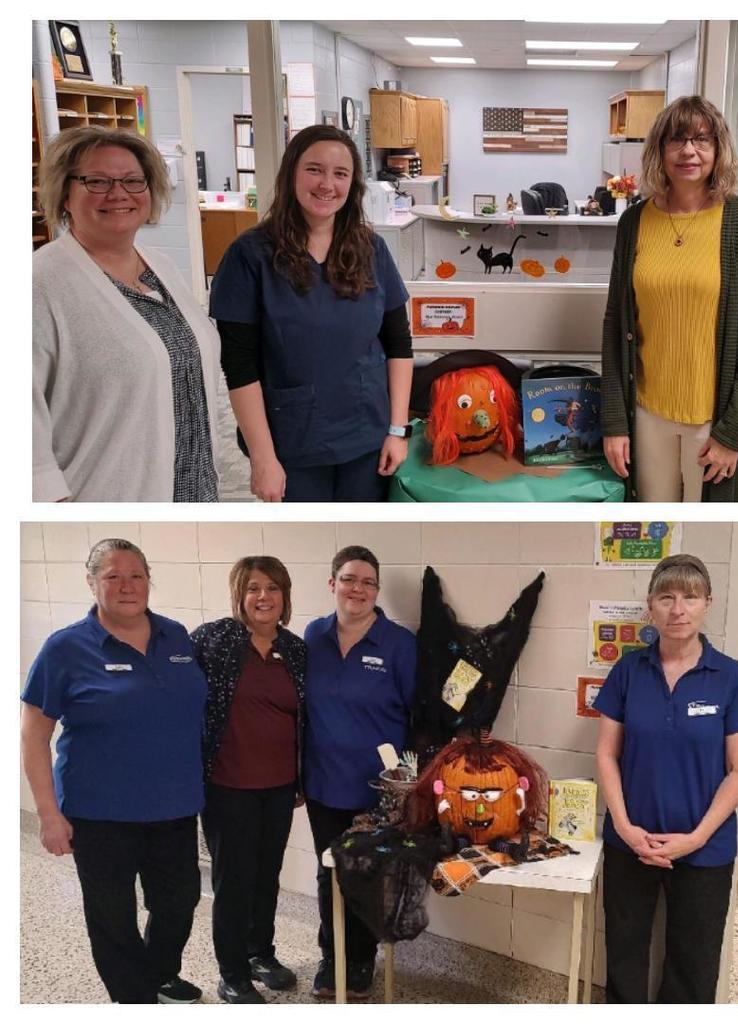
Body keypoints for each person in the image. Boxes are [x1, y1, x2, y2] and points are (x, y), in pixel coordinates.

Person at [20, 539, 207, 1004]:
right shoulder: (65, 648)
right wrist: (48, 815)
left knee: (179, 902)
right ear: (91, 583)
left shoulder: (176, 636)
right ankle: (133, 1000)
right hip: (100, 815)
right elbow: (33, 735)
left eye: (137, 575)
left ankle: (158, 972)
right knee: (112, 916)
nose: (127, 586)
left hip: (175, 808)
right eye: (113, 576)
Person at [209, 125, 414, 502]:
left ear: (353, 185)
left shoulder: (372, 250)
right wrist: (262, 457)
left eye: (340, 174)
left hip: (366, 435)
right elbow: (239, 365)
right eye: (314, 169)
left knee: (363, 540)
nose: (326, 184)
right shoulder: (250, 255)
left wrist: (397, 430)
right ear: (291, 173)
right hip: (291, 442)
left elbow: (398, 344)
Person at [594, 555, 738, 1002]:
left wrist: (696, 837)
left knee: (695, 960)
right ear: (650, 606)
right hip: (630, 842)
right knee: (624, 952)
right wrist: (627, 829)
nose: (678, 609)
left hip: (704, 848)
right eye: (666, 596)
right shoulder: (629, 672)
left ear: (707, 603)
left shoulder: (732, 679)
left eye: (690, 596)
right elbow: (607, 753)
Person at [601, 96, 738, 502]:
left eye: (702, 139)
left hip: (714, 423)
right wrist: (614, 422)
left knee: (708, 527)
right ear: (659, 151)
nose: (688, 151)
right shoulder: (634, 222)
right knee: (651, 524)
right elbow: (616, 324)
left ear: (718, 150)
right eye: (676, 140)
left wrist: (733, 431)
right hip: (646, 417)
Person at [33, 126, 220, 502]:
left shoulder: (161, 267)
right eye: (97, 181)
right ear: (65, 194)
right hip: (102, 494)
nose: (118, 193)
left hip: (193, 489)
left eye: (134, 181)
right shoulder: (39, 283)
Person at [191, 557, 307, 1004]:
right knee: (233, 880)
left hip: (279, 787)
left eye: (273, 588)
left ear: (285, 597)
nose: (264, 597)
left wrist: (301, 780)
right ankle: (232, 972)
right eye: (254, 588)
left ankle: (261, 953)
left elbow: (306, 719)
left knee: (266, 875)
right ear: (239, 594)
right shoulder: (211, 641)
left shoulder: (295, 651)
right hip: (226, 786)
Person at [303, 546, 417, 998]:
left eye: (368, 582)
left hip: (377, 792)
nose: (358, 589)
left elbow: (415, 715)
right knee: (328, 872)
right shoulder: (313, 636)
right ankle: (331, 958)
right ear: (332, 583)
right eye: (349, 579)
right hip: (322, 783)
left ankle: (361, 961)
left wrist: (408, 786)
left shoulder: (398, 644)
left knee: (367, 873)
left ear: (377, 590)